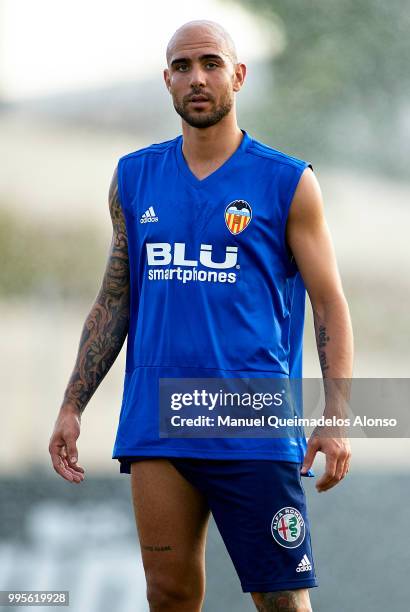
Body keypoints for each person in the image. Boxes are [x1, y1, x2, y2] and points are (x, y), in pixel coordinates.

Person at [49, 19, 353, 612]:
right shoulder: (134, 177)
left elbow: (331, 304)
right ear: (167, 81)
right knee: (168, 594)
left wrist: (336, 414)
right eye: (183, 67)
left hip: (254, 422)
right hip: (158, 419)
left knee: (282, 600)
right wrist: (71, 405)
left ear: (238, 76)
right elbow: (115, 298)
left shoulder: (288, 180)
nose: (197, 78)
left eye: (212, 64)